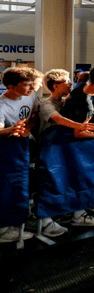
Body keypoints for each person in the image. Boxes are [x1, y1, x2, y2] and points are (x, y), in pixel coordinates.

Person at [0, 67, 40, 242]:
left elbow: (35, 115)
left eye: (32, 84)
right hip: (7, 150)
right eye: (26, 85)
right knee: (7, 188)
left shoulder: (30, 96)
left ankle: (17, 223)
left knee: (21, 188)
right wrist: (13, 129)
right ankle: (4, 231)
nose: (31, 88)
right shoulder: (2, 105)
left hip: (22, 148)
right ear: (11, 86)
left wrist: (28, 128)